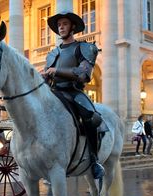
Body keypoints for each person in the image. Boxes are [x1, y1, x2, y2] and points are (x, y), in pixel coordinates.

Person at [40, 12, 103, 179]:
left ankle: (94, 160)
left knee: (91, 116)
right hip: (53, 92)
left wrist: (56, 70)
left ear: (72, 27)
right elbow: (46, 77)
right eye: (59, 24)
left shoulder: (83, 47)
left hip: (73, 92)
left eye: (65, 24)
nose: (61, 27)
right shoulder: (52, 53)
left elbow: (83, 73)